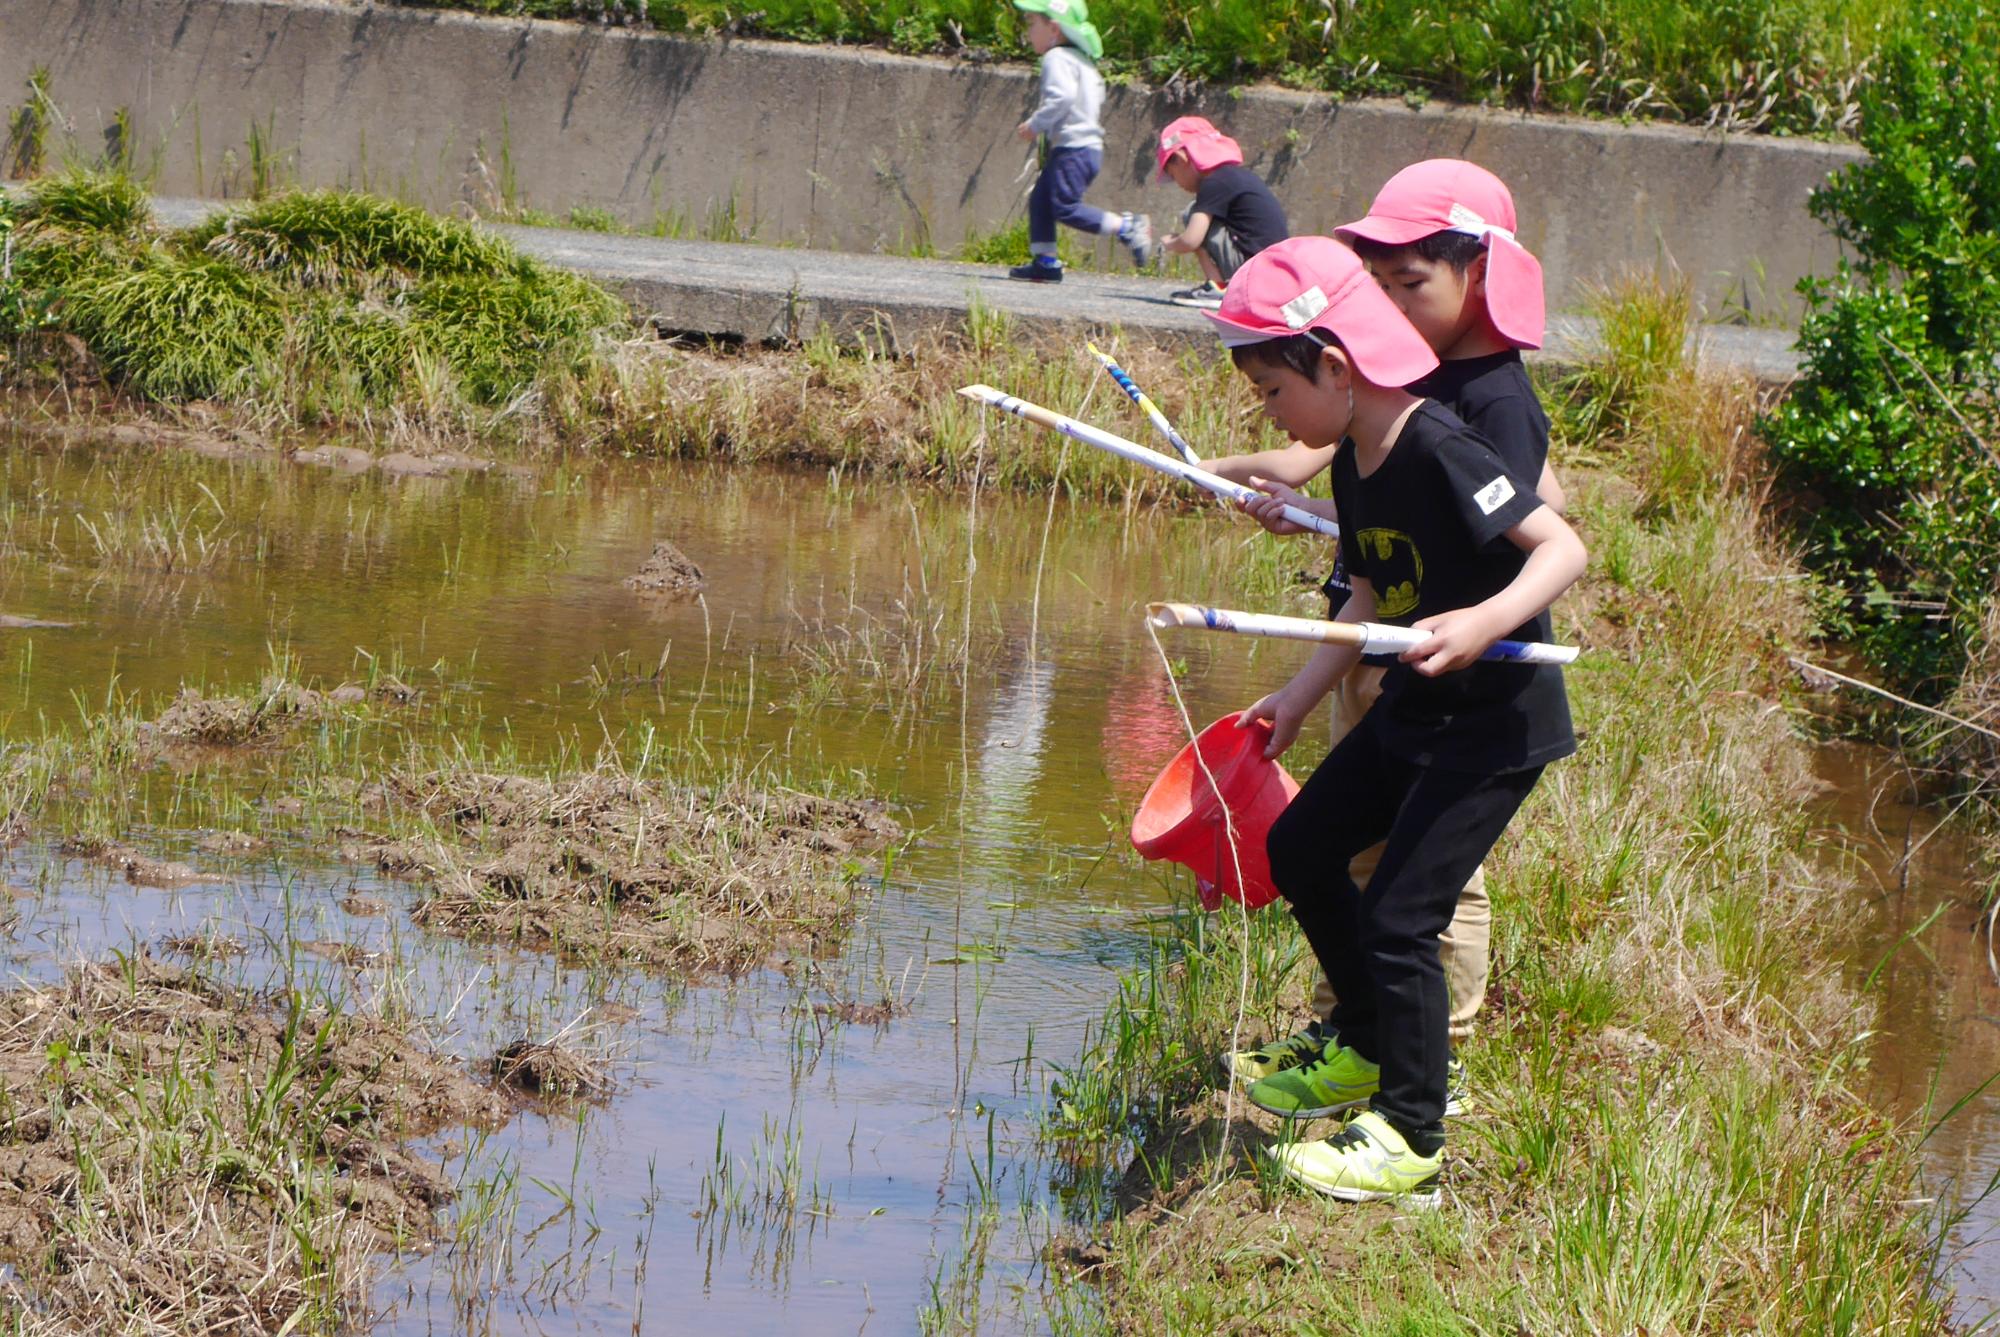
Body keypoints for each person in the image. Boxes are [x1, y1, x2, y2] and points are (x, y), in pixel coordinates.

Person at [1211, 236, 1585, 1203]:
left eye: (1273, 393)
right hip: (1421, 705)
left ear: (1335, 366)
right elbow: (1368, 595)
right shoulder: (1355, 460)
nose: (1272, 416)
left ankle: (1412, 1134)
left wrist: (1482, 621)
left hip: (1495, 723)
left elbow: (1561, 548)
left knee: (1402, 915)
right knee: (1300, 846)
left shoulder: (1440, 444)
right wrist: (1294, 700)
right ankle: (1366, 1044)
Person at [1006, 0, 1152, 283]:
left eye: (1032, 23)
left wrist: (1036, 125)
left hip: (1073, 147)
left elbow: (1061, 98)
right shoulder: (1083, 61)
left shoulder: (1055, 58)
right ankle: (1045, 262)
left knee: (1064, 206)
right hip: (1085, 148)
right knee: (1041, 200)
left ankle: (1127, 227)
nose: (1028, 32)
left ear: (1054, 29)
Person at [1152, 116, 1289, 309]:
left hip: (1252, 270)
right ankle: (1221, 286)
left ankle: (1218, 287)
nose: (1178, 184)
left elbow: (1191, 240)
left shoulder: (1214, 183)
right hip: (1273, 273)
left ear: (1182, 159)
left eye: (1173, 175)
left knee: (1193, 214)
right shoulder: (1234, 176)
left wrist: (1171, 243)